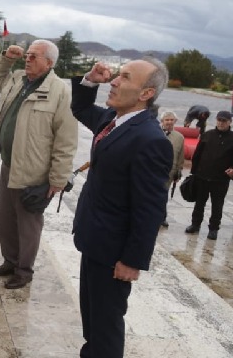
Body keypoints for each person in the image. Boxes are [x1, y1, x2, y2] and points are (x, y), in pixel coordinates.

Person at [71, 58, 172, 358]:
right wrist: (89, 80)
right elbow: (80, 108)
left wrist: (132, 260)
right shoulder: (113, 120)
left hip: (114, 253)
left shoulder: (150, 139)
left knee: (105, 329)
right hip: (94, 238)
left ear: (146, 94)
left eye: (125, 78)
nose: (114, 81)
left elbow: (150, 207)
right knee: (92, 323)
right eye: (117, 75)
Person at [0, 40, 77, 290]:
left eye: (34, 56)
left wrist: (57, 179)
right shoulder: (17, 79)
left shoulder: (60, 91)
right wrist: (6, 57)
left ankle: (24, 270)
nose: (28, 59)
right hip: (8, 164)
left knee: (28, 223)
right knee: (6, 218)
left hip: (34, 171)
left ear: (49, 63)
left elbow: (66, 139)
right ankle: (9, 261)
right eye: (28, 54)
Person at [185, 111, 233, 240]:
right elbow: (197, 155)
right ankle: (195, 224)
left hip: (220, 179)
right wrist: (194, 172)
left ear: (229, 122)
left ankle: (213, 229)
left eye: (224, 121)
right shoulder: (207, 135)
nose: (221, 123)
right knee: (199, 202)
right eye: (219, 120)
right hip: (202, 176)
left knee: (217, 205)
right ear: (216, 120)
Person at [159, 110, 184, 227]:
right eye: (166, 119)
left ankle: (161, 217)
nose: (169, 122)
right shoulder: (155, 132)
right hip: (153, 170)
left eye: (171, 120)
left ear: (175, 121)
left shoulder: (179, 137)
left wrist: (178, 171)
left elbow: (180, 156)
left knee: (163, 195)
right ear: (162, 121)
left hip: (169, 171)